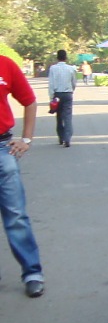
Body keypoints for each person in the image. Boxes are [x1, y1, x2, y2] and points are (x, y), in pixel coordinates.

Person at [0, 55, 45, 297]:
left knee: (15, 215)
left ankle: (32, 273)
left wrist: (26, 139)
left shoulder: (5, 65)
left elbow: (29, 101)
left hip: (2, 150)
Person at [48, 49, 77, 147]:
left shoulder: (53, 68)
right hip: (68, 93)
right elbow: (74, 82)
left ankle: (61, 137)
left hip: (57, 94)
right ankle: (68, 138)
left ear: (57, 58)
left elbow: (51, 83)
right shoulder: (71, 68)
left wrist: (51, 97)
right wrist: (71, 90)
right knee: (68, 116)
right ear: (66, 58)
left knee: (59, 116)